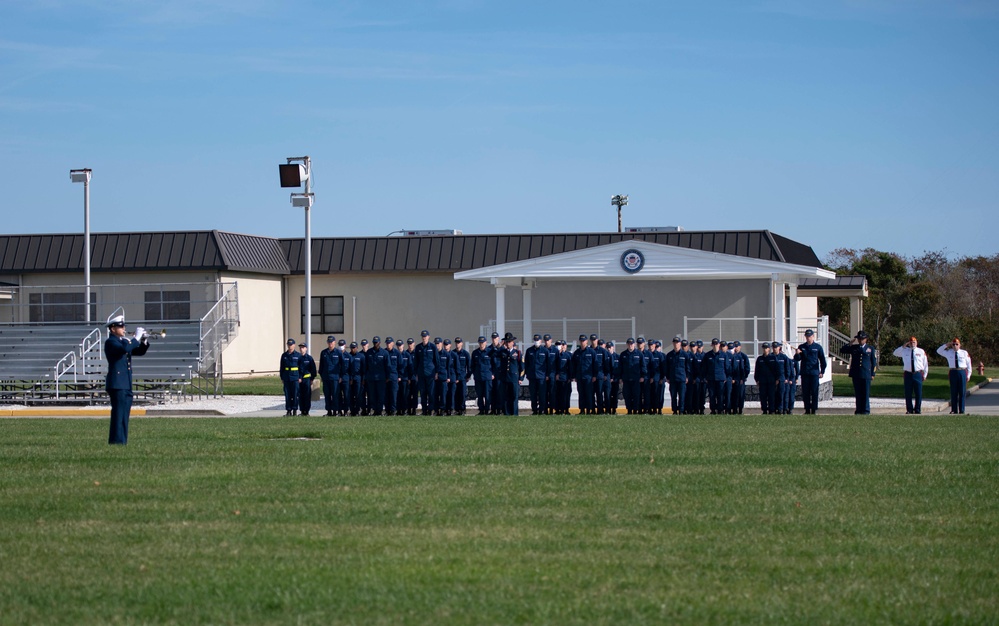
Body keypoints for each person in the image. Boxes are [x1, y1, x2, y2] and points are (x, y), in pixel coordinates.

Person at [104, 315, 150, 444]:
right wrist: (136, 338)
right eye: (120, 326)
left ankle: (122, 441)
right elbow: (125, 349)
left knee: (124, 415)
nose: (123, 328)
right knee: (118, 414)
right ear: (112, 329)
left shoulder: (123, 342)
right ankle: (116, 441)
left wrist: (143, 341)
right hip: (117, 384)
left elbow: (138, 351)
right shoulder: (111, 342)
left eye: (124, 326)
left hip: (126, 383)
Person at [840, 330, 877, 415]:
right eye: (859, 339)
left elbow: (873, 362)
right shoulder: (854, 347)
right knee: (858, 393)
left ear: (866, 339)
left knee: (865, 393)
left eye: (862, 339)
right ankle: (859, 410)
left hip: (866, 374)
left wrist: (873, 373)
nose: (860, 340)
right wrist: (850, 343)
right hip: (856, 373)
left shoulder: (870, 348)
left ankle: (866, 410)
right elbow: (842, 350)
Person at [794, 329, 827, 414]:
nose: (808, 338)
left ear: (813, 336)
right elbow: (797, 359)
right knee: (805, 392)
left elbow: (822, 360)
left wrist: (822, 371)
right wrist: (797, 353)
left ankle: (814, 409)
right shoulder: (802, 347)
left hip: (814, 373)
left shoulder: (817, 347)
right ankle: (807, 409)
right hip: (805, 373)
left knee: (814, 391)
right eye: (807, 336)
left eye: (810, 336)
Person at [893, 336, 929, 414]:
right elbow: (895, 353)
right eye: (911, 342)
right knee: (908, 392)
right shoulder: (904, 351)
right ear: (909, 343)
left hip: (918, 373)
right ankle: (909, 409)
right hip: (908, 373)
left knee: (918, 393)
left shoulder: (921, 351)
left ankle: (917, 409)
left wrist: (925, 374)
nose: (913, 344)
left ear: (916, 343)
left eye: (914, 342)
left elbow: (925, 363)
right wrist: (903, 346)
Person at [937, 338, 972, 414]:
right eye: (953, 344)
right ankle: (954, 409)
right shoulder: (949, 352)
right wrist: (946, 345)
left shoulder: (964, 353)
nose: (955, 346)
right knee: (954, 391)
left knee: (962, 392)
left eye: (957, 344)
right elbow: (939, 351)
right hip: (953, 372)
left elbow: (969, 365)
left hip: (962, 371)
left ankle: (961, 410)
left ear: (960, 345)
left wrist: (968, 375)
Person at [414, 330, 438, 415]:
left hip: (430, 374)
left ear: (428, 337)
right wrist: (416, 373)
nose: (424, 338)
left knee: (431, 393)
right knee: (423, 393)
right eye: (423, 336)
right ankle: (424, 410)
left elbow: (436, 360)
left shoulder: (432, 347)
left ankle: (431, 410)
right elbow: (416, 361)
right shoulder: (418, 347)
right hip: (421, 374)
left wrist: (436, 373)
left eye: (425, 336)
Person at [319, 335, 343, 417]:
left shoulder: (338, 353)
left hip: (335, 378)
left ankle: (335, 411)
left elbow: (342, 365)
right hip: (326, 378)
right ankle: (329, 411)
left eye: (332, 342)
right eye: (329, 342)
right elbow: (321, 366)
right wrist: (322, 376)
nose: (330, 344)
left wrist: (341, 376)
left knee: (335, 395)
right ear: (327, 343)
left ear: (334, 342)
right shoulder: (323, 353)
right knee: (327, 395)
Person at [524, 334, 548, 415]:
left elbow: (548, 364)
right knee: (533, 394)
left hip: (541, 376)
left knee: (542, 394)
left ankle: (541, 410)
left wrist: (547, 375)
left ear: (541, 341)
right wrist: (527, 374)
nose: (536, 342)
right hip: (532, 376)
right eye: (535, 340)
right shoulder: (529, 351)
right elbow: (526, 363)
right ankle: (534, 410)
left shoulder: (545, 351)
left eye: (537, 340)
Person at [471, 336, 494, 415]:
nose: (481, 344)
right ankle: (481, 410)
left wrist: (493, 374)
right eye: (480, 343)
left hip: (487, 376)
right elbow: (472, 365)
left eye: (483, 342)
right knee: (479, 395)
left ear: (486, 342)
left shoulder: (490, 352)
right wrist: (474, 374)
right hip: (478, 377)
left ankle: (487, 410)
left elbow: (494, 364)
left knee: (488, 394)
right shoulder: (475, 353)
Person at [279, 338, 301, 416]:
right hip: (286, 377)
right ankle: (288, 410)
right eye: (288, 344)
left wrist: (300, 377)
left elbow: (301, 368)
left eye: (291, 345)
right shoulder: (284, 355)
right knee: (287, 395)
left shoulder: (298, 355)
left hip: (295, 377)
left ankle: (295, 410)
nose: (290, 346)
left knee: (295, 394)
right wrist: (282, 377)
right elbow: (282, 367)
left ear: (294, 345)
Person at [297, 343, 317, 416]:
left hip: (307, 379)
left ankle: (307, 411)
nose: (301, 349)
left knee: (307, 395)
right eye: (300, 347)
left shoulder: (309, 358)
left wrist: (312, 379)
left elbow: (313, 370)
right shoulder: (298, 358)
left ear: (306, 349)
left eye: (303, 347)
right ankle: (302, 411)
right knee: (300, 395)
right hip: (299, 380)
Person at [731, 341, 750, 414]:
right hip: (734, 379)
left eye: (737, 346)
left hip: (741, 379)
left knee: (741, 395)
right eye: (734, 347)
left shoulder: (743, 356)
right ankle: (734, 409)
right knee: (734, 395)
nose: (736, 348)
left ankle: (740, 409)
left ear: (740, 346)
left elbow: (747, 368)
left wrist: (744, 377)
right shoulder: (732, 356)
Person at [453, 337, 470, 415]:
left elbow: (469, 366)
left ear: (462, 343)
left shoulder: (466, 354)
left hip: (463, 377)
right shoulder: (452, 353)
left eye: (459, 342)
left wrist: (468, 376)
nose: (457, 344)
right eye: (456, 342)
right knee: (455, 394)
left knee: (462, 394)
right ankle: (457, 409)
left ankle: (462, 409)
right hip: (455, 377)